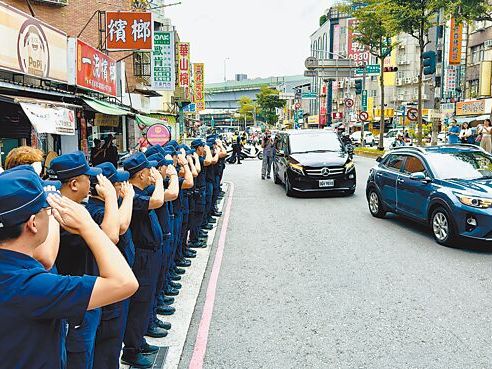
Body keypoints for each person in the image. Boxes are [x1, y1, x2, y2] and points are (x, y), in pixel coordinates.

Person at [0, 168, 138, 369]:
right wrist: (88, 226)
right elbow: (125, 283)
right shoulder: (29, 286)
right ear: (33, 224)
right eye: (47, 211)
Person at [86, 163, 136, 369]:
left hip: (115, 280)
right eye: (116, 184)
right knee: (108, 342)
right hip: (107, 285)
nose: (121, 187)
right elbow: (118, 229)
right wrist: (127, 198)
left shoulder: (107, 207)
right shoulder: (97, 211)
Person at [121, 152, 165, 369]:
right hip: (142, 257)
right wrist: (159, 182)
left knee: (146, 300)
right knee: (139, 303)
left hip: (151, 253)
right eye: (149, 171)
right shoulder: (133, 197)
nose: (152, 174)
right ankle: (131, 350)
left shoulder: (138, 192)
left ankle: (139, 340)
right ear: (140, 174)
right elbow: (157, 200)